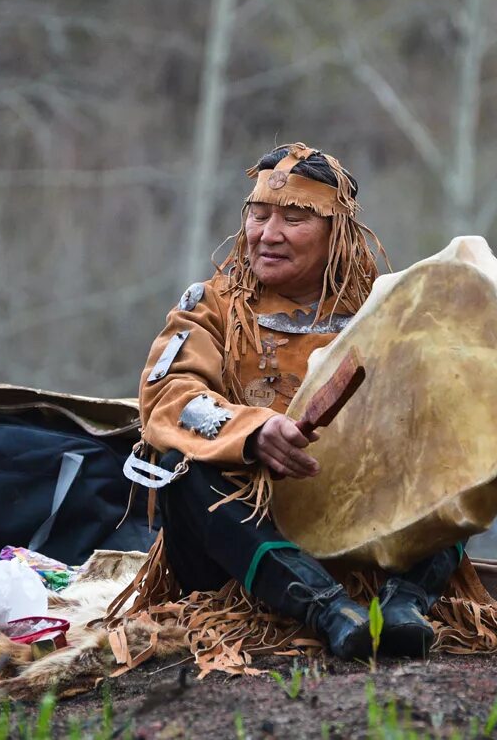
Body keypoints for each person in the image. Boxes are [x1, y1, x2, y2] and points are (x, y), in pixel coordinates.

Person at [131, 143, 463, 659]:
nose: (269, 234)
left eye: (294, 218)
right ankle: (327, 608)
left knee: (465, 448)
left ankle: (404, 603)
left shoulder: (383, 311)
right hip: (239, 542)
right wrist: (254, 433)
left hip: (363, 536)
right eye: (258, 215)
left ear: (338, 233)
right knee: (182, 467)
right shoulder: (214, 305)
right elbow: (168, 396)